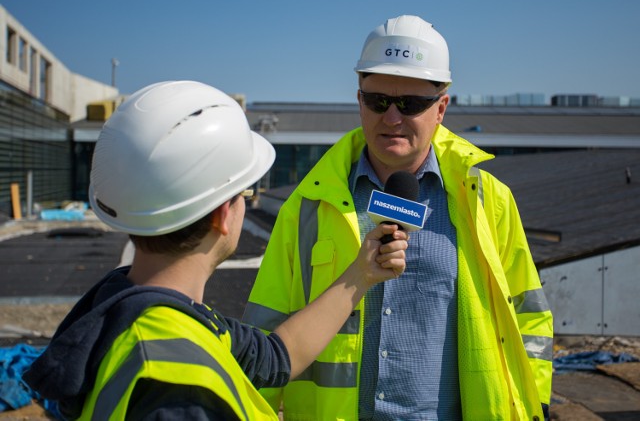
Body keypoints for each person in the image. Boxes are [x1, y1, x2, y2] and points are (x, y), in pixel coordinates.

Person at [23, 80, 409, 420]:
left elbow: (277, 357)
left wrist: (361, 275)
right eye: (245, 193)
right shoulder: (179, 391)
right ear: (224, 215)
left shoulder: (126, 309)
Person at [243, 15, 553, 420]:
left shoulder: (488, 201)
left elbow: (530, 317)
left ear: (441, 108)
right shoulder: (308, 206)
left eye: (409, 104)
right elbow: (265, 331)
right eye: (377, 101)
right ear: (359, 101)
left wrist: (536, 406)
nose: (391, 118)